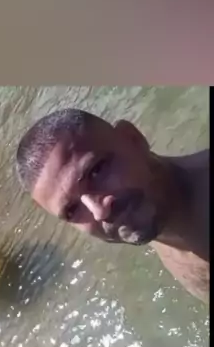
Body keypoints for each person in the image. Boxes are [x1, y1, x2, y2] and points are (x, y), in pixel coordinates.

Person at [16, 108, 209, 302]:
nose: (99, 212)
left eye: (96, 171)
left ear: (133, 139)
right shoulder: (151, 219)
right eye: (72, 210)